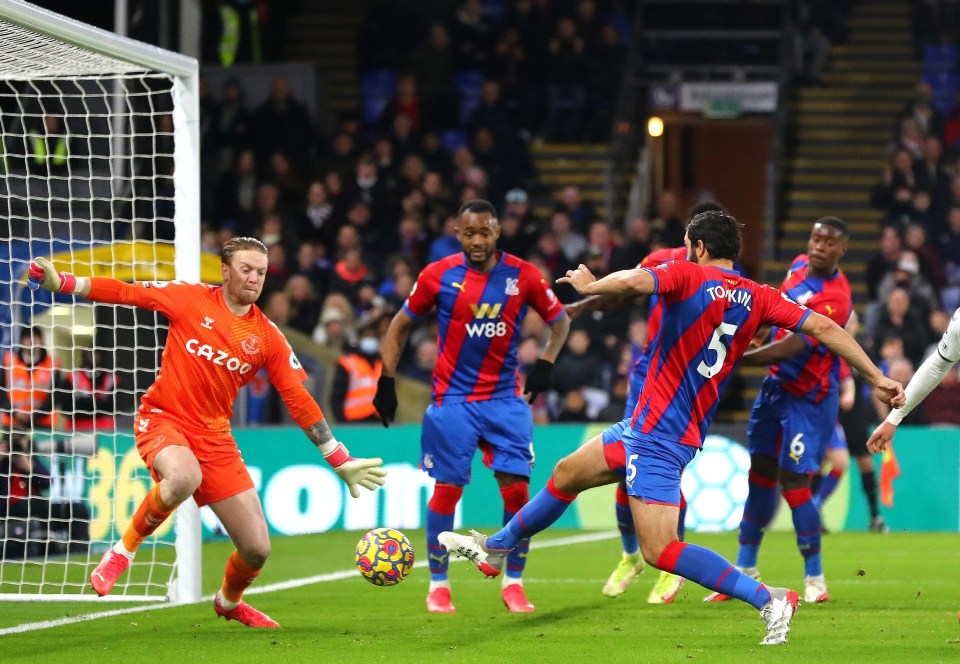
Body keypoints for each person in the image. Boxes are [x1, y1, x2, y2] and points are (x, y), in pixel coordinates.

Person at [440, 210, 904, 646]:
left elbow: (634, 279)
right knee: (566, 474)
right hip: (650, 428)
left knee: (660, 551)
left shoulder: (688, 273)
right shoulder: (760, 295)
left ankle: (772, 600)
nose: (684, 251)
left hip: (658, 437)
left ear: (699, 247)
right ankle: (496, 549)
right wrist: (876, 376)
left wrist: (592, 283)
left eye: (687, 245)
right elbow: (826, 328)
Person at [27, 238, 386, 628]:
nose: (254, 279)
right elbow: (127, 292)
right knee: (183, 477)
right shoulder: (190, 299)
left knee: (256, 549)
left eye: (261, 272)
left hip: (215, 436)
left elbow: (298, 399)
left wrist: (339, 458)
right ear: (226, 271)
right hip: (164, 418)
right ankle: (122, 551)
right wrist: (63, 282)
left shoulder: (266, 337)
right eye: (246, 269)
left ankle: (229, 602)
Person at [373, 199, 570, 614]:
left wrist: (546, 364)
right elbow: (400, 324)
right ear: (457, 234)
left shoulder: (523, 274)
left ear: (497, 231)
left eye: (485, 232)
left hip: (504, 400)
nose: (477, 240)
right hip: (453, 401)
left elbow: (561, 320)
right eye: (469, 233)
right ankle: (439, 585)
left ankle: (513, 583)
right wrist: (386, 379)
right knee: (447, 491)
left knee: (517, 493)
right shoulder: (438, 275)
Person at [711, 217, 852, 606]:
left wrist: (738, 354)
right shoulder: (794, 268)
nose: (819, 245)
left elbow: (794, 345)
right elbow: (776, 307)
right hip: (776, 391)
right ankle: (745, 570)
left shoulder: (836, 298)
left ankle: (815, 578)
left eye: (829, 241)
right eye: (816, 237)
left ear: (843, 250)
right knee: (760, 476)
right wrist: (756, 327)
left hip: (810, 400)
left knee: (794, 484)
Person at [1, 327, 61, 432]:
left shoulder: (52, 365)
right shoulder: (9, 363)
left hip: (42, 425)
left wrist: (36, 415)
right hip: (12, 424)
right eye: (28, 338)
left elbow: (56, 396)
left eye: (36, 338)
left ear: (41, 340)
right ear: (21, 341)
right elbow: (1, 392)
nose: (32, 342)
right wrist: (15, 412)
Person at [330, 317, 383, 424]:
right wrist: (342, 422)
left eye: (373, 336)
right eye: (367, 336)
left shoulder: (381, 365)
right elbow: (336, 397)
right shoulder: (348, 363)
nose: (370, 339)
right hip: (353, 422)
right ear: (359, 338)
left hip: (377, 423)